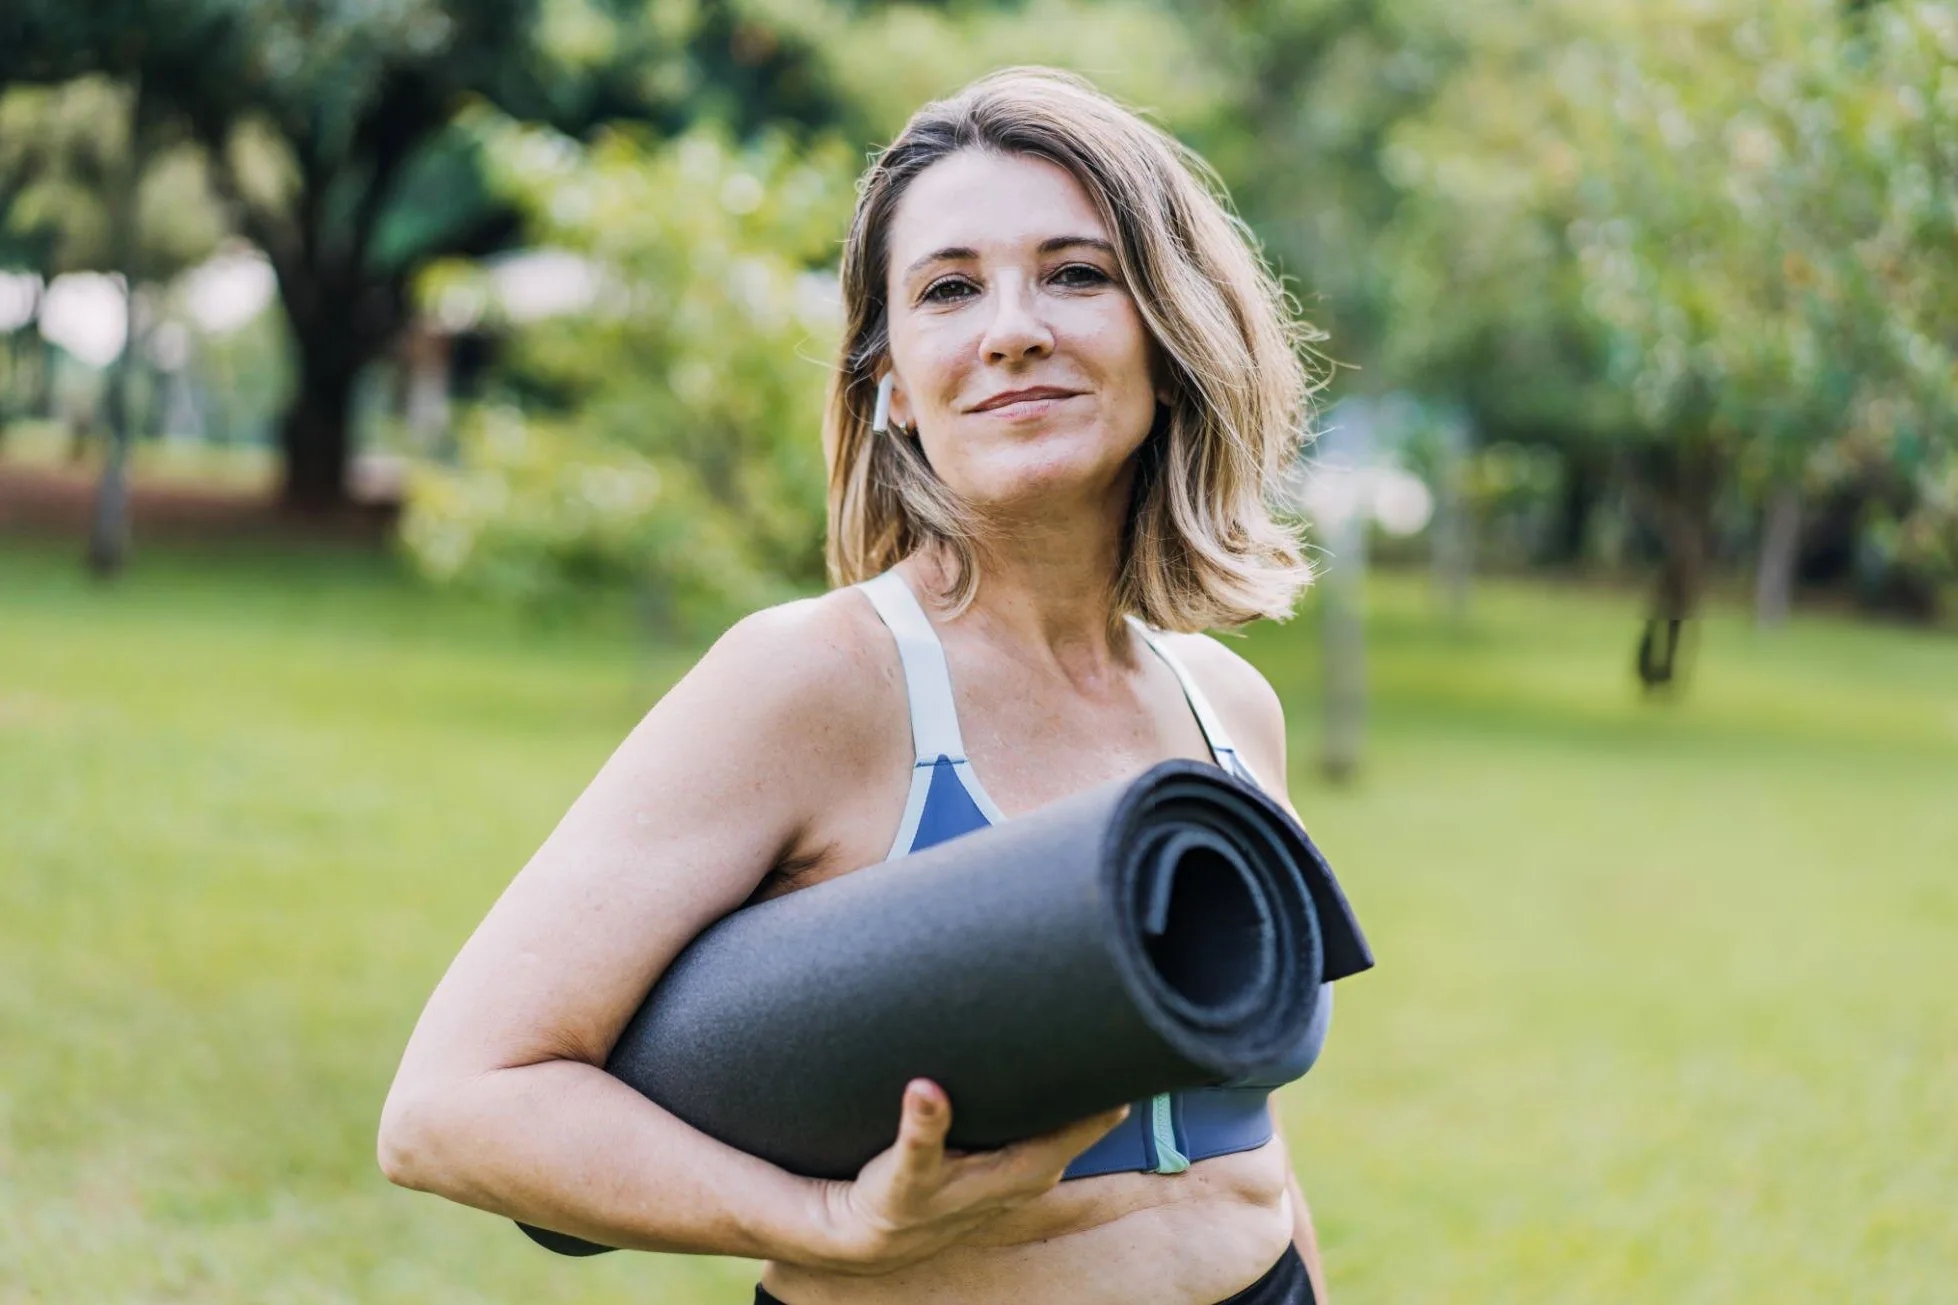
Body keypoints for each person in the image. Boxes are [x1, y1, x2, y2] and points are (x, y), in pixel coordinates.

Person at [378, 66, 1337, 1305]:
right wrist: (821, 1219)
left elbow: (1251, 1144)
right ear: (887, 379)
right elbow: (451, 1107)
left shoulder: (1224, 706)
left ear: (1171, 331)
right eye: (948, 289)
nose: (1011, 328)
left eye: (1075, 273)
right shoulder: (816, 683)